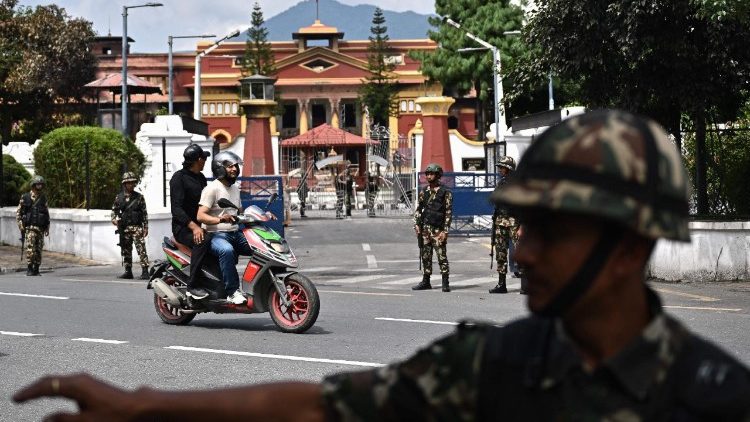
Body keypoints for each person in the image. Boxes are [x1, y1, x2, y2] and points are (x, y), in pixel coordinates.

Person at [14, 110, 750, 420]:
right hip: (201, 239)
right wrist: (149, 406)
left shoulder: (716, 401)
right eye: (524, 226)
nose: (522, 251)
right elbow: (317, 406)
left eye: (551, 233)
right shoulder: (495, 363)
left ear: (628, 249)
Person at [197, 151, 253, 305]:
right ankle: (232, 292)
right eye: (230, 166)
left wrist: (263, 215)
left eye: (235, 166)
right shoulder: (212, 189)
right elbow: (200, 216)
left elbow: (239, 212)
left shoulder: (235, 188)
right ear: (220, 168)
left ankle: (258, 285)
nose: (234, 169)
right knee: (226, 250)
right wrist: (220, 219)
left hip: (234, 232)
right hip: (215, 235)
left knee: (260, 248)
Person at [170, 144, 211, 300]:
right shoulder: (178, 178)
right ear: (198, 160)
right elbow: (176, 209)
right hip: (183, 228)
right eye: (203, 158)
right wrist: (194, 227)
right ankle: (192, 286)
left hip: (200, 225)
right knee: (202, 240)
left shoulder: (200, 178)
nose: (205, 161)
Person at [412, 163, 453, 292]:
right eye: (427, 174)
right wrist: (416, 224)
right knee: (425, 256)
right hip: (425, 229)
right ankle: (426, 281)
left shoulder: (445, 192)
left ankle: (445, 282)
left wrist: (445, 231)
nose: (429, 176)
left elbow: (448, 213)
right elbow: (419, 209)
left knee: (441, 256)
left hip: (438, 230)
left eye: (432, 174)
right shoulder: (424, 191)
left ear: (438, 175)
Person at [110, 172, 149, 280]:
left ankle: (145, 271)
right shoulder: (119, 197)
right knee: (126, 249)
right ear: (124, 184)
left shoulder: (139, 197)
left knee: (141, 249)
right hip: (125, 228)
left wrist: (146, 227)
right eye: (129, 183)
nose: (131, 185)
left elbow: (144, 213)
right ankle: (128, 271)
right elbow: (114, 211)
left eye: (132, 182)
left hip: (137, 228)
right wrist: (114, 220)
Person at [489, 156, 519, 294]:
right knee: (500, 253)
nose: (500, 169)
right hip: (500, 221)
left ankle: (525, 285)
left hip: (514, 221)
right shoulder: (501, 183)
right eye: (500, 167)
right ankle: (501, 284)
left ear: (509, 168)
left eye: (502, 167)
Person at [16, 175, 49, 276]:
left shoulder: (43, 198)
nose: (39, 186)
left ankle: (36, 268)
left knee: (39, 249)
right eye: (38, 184)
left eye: (41, 184)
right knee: (31, 248)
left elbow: (46, 213)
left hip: (40, 228)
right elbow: (18, 213)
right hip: (30, 228)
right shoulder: (25, 197)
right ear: (33, 185)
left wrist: (47, 227)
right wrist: (21, 225)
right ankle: (30, 268)